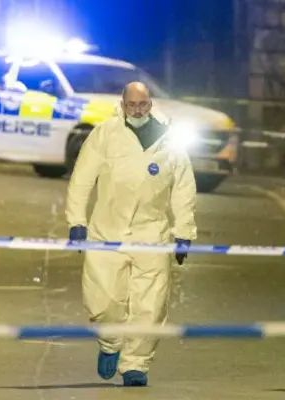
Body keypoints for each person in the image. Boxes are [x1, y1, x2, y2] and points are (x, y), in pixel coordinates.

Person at [65, 82, 197, 387]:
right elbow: (82, 179)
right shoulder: (105, 134)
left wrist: (183, 231)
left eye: (143, 105)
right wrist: (77, 221)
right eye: (132, 105)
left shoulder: (169, 140)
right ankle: (110, 342)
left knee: (150, 306)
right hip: (106, 232)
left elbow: (183, 188)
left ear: (150, 104)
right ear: (122, 104)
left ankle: (136, 364)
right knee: (104, 300)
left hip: (152, 234)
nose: (137, 110)